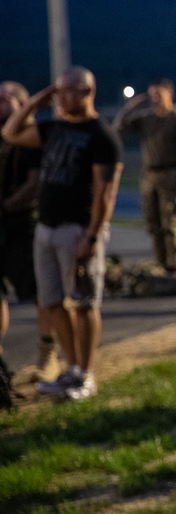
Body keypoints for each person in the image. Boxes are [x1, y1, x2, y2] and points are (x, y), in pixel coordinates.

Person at [1, 67, 124, 402]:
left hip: (78, 229)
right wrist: (35, 102)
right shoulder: (53, 127)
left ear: (87, 92)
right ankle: (69, 369)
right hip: (47, 227)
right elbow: (11, 132)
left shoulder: (101, 135)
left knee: (84, 303)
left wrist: (93, 236)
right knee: (53, 301)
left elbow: (106, 193)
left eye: (67, 91)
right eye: (58, 91)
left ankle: (85, 373)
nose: (61, 97)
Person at [113, 78, 176, 276]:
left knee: (172, 223)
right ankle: (161, 262)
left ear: (170, 94)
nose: (155, 99)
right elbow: (118, 129)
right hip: (150, 174)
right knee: (153, 222)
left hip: (171, 172)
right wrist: (129, 108)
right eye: (152, 94)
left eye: (159, 94)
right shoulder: (146, 118)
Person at [0, 81, 48, 381]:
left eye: (6, 99)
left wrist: (7, 205)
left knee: (38, 292)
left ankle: (48, 351)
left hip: (21, 225)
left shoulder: (31, 138)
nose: (0, 105)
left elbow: (35, 182)